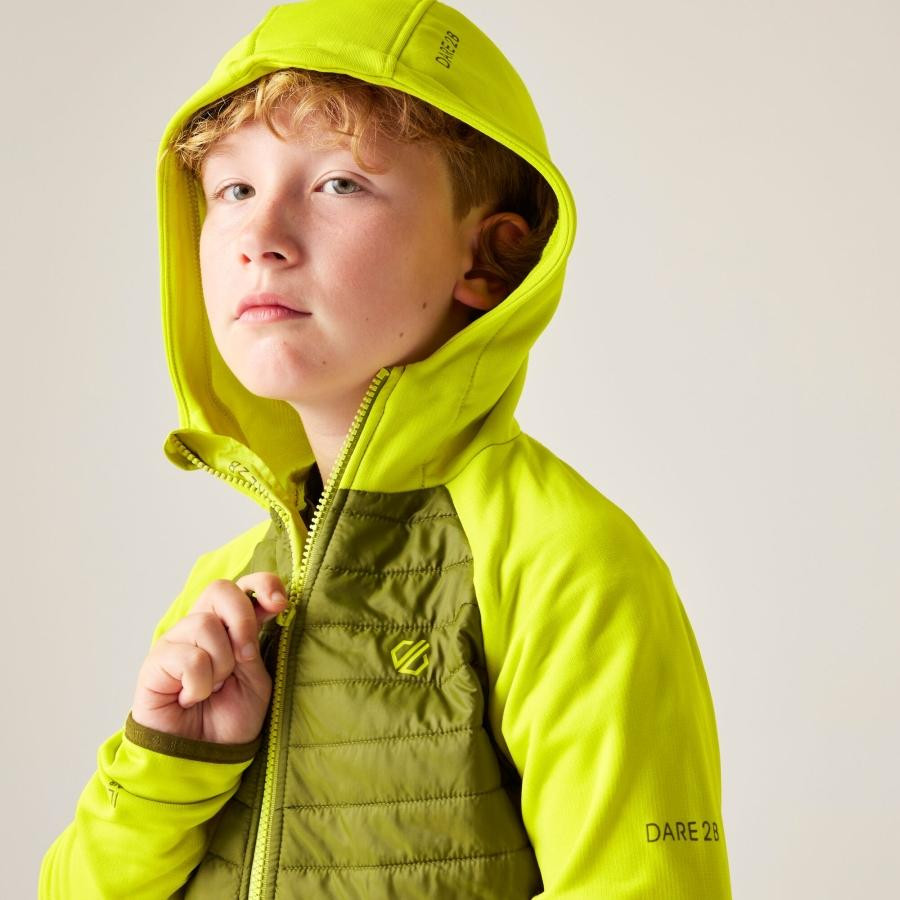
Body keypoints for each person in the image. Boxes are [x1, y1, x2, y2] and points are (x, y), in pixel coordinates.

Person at [40, 0, 733, 897]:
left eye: (339, 184)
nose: (260, 238)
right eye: (234, 191)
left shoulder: (566, 563)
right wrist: (167, 765)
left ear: (487, 259)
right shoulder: (224, 589)